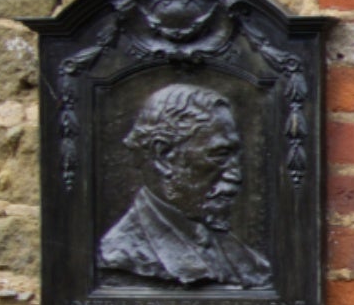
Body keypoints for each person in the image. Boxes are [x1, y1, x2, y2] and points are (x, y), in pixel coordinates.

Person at [98, 83, 270, 288]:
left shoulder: (245, 258)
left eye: (234, 156)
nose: (236, 176)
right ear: (163, 155)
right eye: (220, 155)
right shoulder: (123, 251)